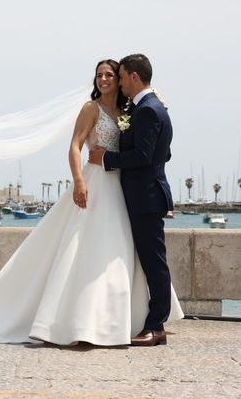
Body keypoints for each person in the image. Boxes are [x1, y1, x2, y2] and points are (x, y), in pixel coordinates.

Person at [0, 58, 183, 346]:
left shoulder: (130, 111)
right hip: (97, 182)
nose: (105, 80)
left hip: (121, 188)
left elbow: (153, 151)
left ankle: (123, 321)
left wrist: (111, 156)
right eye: (99, 75)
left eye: (111, 75)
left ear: (125, 79)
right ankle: (77, 321)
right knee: (85, 249)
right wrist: (79, 180)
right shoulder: (91, 108)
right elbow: (75, 145)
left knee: (118, 254)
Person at [89, 53, 176, 346]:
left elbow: (144, 156)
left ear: (134, 77)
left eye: (122, 77)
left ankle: (156, 326)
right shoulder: (151, 107)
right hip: (144, 195)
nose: (120, 83)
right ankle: (151, 322)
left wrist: (106, 158)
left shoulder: (148, 110)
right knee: (150, 262)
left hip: (146, 198)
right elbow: (164, 154)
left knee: (154, 263)